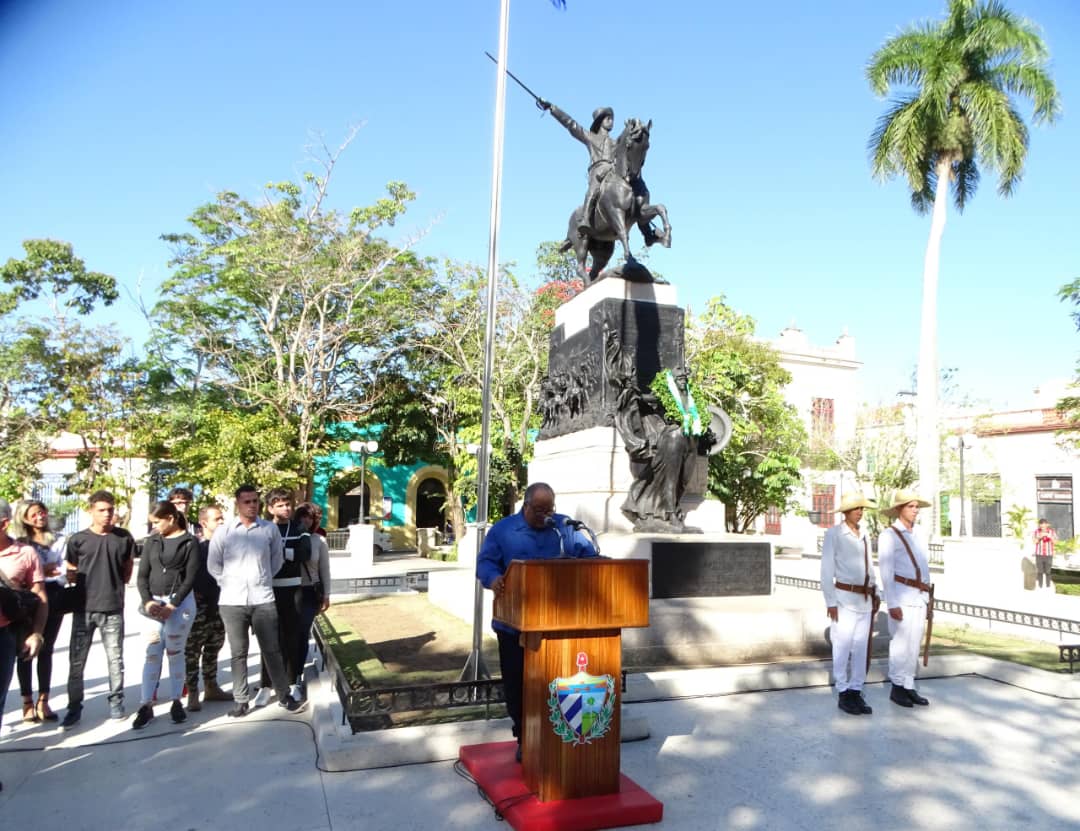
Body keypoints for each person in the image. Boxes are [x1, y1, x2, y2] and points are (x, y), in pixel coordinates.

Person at [476, 483, 598, 762]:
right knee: (519, 685)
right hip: (515, 626)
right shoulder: (504, 530)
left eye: (550, 509)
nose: (546, 515)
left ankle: (561, 736)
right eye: (540, 510)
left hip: (560, 625)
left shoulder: (563, 527)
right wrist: (494, 579)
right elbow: (485, 564)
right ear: (526, 506)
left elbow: (589, 556)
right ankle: (524, 736)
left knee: (556, 683)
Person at [207, 485, 303, 717]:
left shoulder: (269, 530)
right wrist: (228, 583)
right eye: (247, 502)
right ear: (237, 504)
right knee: (238, 652)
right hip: (232, 602)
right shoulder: (225, 531)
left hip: (263, 599)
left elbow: (277, 561)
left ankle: (283, 695)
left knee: (272, 649)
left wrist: (262, 579)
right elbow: (213, 564)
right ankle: (241, 701)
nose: (252, 505)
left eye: (255, 501)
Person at [62, 490, 136, 729]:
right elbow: (71, 569)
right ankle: (74, 708)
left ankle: (116, 703)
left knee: (115, 659)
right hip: (83, 609)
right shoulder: (77, 539)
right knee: (76, 662)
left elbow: (127, 572)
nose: (107, 515)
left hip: (113, 607)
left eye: (110, 510)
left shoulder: (124, 538)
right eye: (101, 510)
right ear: (91, 511)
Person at [132, 501, 200, 729]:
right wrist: (148, 601)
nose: (156, 526)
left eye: (158, 521)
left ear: (171, 518)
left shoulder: (190, 542)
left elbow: (190, 578)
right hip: (153, 604)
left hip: (178, 606)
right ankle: (146, 704)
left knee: (174, 652)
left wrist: (173, 605)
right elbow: (142, 575)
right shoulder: (152, 541)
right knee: (152, 652)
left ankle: (176, 702)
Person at [11, 500, 71, 723]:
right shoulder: (19, 544)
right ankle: (27, 701)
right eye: (34, 514)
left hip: (54, 594)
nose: (40, 517)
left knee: (46, 648)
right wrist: (43, 569)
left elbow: (64, 570)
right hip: (27, 598)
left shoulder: (59, 539)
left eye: (42, 512)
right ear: (24, 518)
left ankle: (43, 700)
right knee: (26, 649)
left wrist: (47, 571)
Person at [820, 492, 879, 715]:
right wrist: (830, 601)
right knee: (843, 646)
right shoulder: (834, 534)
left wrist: (876, 590)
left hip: (864, 599)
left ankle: (856, 690)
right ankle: (843, 691)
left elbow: (869, 565)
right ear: (845, 512)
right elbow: (826, 569)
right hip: (843, 599)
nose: (860, 512)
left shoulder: (864, 534)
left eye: (862, 509)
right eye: (856, 509)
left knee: (860, 647)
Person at [877, 489, 933, 709]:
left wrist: (927, 598)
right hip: (901, 595)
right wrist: (891, 603)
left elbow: (924, 566)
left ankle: (908, 685)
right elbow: (886, 571)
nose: (915, 510)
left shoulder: (919, 534)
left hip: (919, 597)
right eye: (911, 506)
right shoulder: (889, 536)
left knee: (913, 644)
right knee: (900, 644)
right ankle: (897, 687)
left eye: (917, 506)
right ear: (899, 509)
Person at [0, 499, 48, 746]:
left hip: (4, 637)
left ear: (4, 524)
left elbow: (40, 596)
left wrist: (36, 633)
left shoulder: (26, 554)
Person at [255, 487, 307, 705]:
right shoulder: (264, 528)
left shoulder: (298, 527)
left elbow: (305, 553)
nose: (286, 508)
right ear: (270, 508)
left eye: (288, 504)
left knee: (292, 637)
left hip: (293, 588)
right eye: (280, 505)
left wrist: (281, 552)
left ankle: (293, 682)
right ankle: (266, 685)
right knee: (269, 640)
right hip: (269, 589)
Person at [537, 98, 616, 238]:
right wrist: (552, 108)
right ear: (600, 121)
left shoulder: (615, 142)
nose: (611, 121)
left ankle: (647, 230)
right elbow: (570, 124)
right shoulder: (590, 137)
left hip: (612, 173)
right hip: (598, 171)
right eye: (607, 118)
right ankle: (585, 218)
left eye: (612, 118)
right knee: (594, 189)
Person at [184, 503, 230, 711]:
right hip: (198, 606)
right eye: (217, 519)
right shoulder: (195, 546)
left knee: (215, 646)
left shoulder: (228, 545)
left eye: (222, 518)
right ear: (204, 523)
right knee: (193, 650)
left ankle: (211, 686)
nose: (221, 522)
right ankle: (193, 691)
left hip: (220, 604)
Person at [293, 501, 331, 697]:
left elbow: (325, 570)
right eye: (303, 516)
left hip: (310, 592)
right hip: (290, 592)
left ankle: (297, 674)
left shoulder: (319, 541)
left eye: (310, 517)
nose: (306, 520)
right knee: (288, 634)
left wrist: (326, 595)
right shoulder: (290, 537)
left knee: (302, 633)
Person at [1033, 518, 1057, 592]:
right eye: (1041, 526)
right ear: (1039, 525)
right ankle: (1040, 586)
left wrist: (1050, 536)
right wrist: (1039, 537)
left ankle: (1048, 586)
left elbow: (1055, 542)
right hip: (1039, 554)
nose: (1043, 527)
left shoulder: (1052, 532)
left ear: (1047, 525)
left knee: (1048, 571)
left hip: (1048, 554)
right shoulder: (1036, 532)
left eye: (1044, 526)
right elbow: (1034, 541)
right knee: (1039, 571)